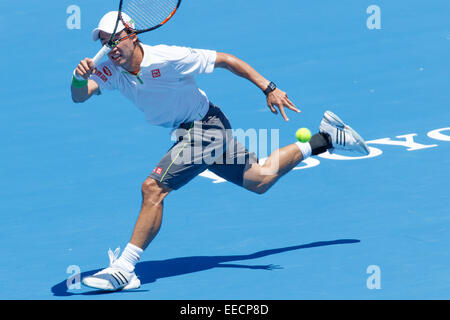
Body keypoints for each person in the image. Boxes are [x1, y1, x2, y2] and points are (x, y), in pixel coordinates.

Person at [71, 11, 370, 291]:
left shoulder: (169, 57)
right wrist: (79, 77)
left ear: (132, 34)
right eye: (103, 42)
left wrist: (269, 88)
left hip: (206, 128)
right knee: (260, 178)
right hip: (195, 130)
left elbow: (226, 60)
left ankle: (125, 269)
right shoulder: (109, 68)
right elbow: (79, 97)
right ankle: (326, 138)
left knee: (153, 188)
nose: (109, 47)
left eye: (114, 39)